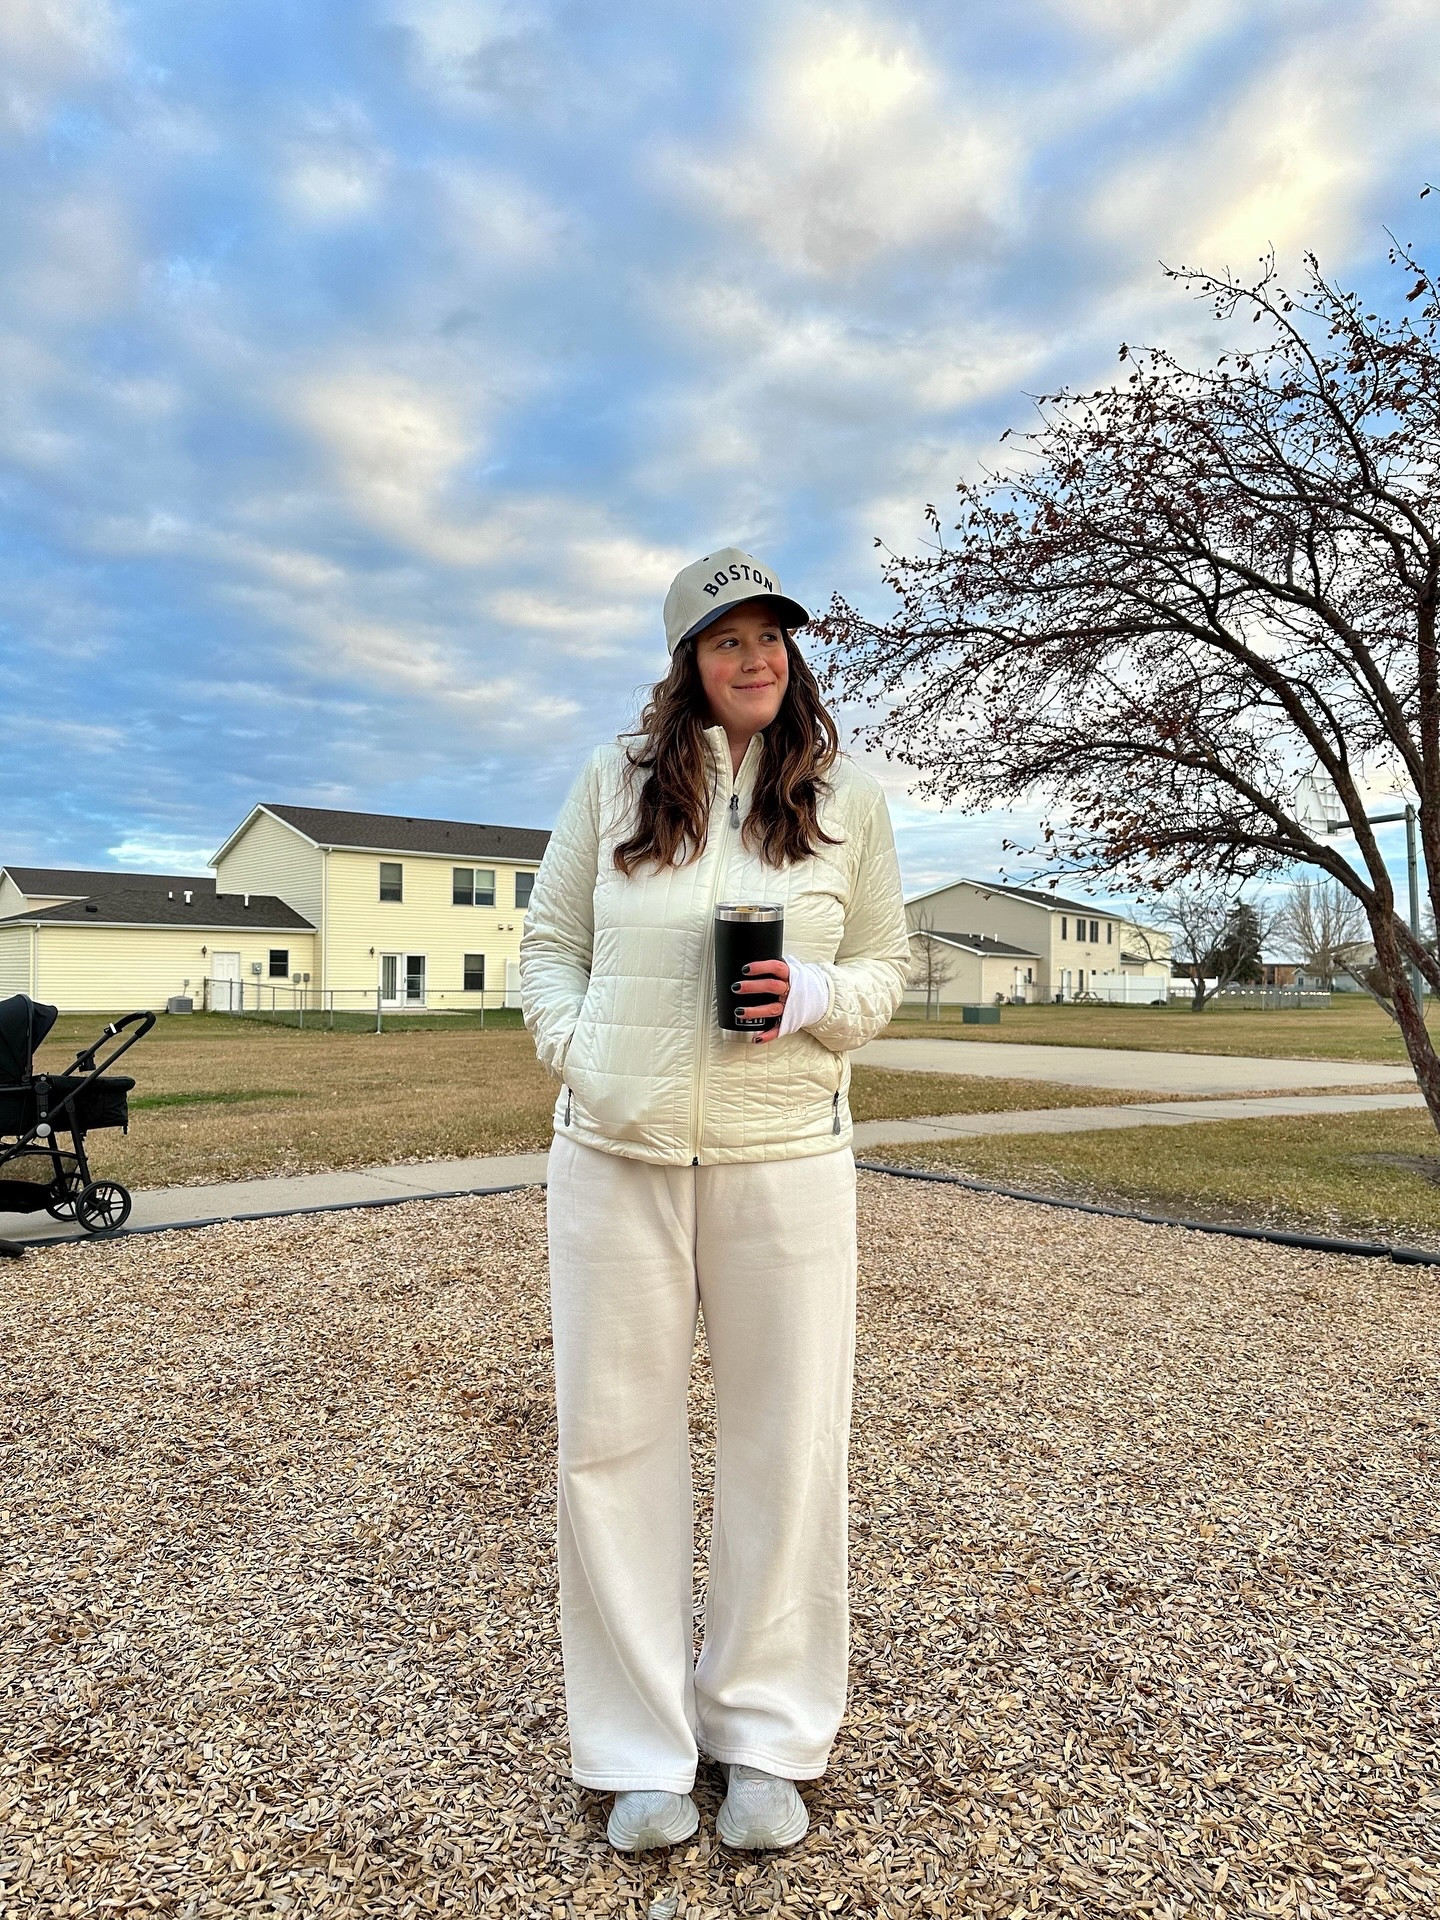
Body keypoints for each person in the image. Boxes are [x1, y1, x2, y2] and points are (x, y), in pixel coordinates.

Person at [519, 546, 910, 1853]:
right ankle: (638, 1749)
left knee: (786, 1448)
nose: (756, 658)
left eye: (772, 636)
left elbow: (887, 963)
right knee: (610, 1449)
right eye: (727, 638)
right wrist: (584, 1053)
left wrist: (817, 996)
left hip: (785, 1157)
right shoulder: (615, 780)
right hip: (613, 1158)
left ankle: (764, 1737)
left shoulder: (846, 796)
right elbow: (550, 946)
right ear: (687, 660)